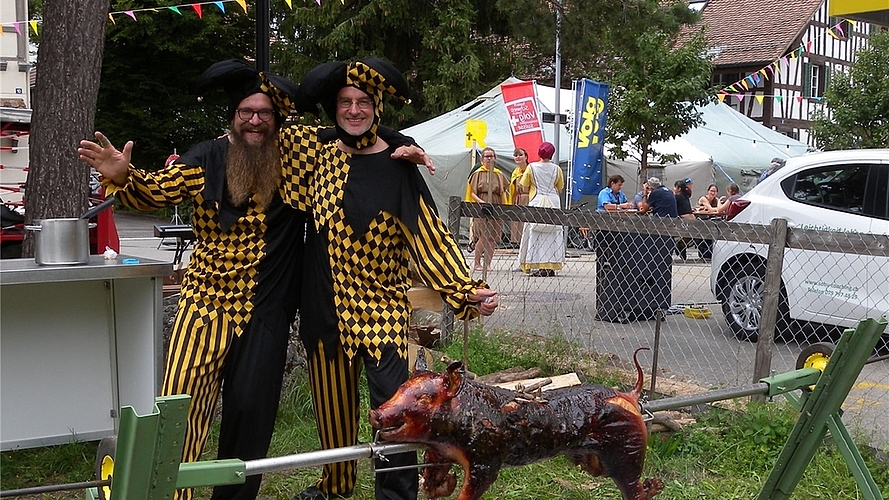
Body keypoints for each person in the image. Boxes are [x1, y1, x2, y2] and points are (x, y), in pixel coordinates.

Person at [77, 60, 429, 500]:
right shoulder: (204, 158)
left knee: (250, 416)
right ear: (233, 116)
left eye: (265, 113)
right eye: (247, 112)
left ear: (276, 121)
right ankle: (168, 495)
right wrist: (125, 176)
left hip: (266, 313)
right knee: (180, 410)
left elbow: (353, 133)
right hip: (205, 306)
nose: (256, 121)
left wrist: (405, 142)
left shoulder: (297, 160)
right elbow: (159, 189)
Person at [279, 57, 500, 500]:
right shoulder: (318, 156)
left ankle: (396, 496)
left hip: (380, 311)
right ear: (334, 108)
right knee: (333, 416)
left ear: (377, 108)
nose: (354, 110)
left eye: (363, 102)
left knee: (396, 413)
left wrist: (463, 291)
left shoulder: (398, 168)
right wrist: (401, 137)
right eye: (345, 102)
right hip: (324, 310)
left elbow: (428, 235)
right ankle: (334, 488)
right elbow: (282, 133)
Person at [518, 141, 565, 277]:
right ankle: (551, 264)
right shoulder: (557, 169)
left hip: (537, 199)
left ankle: (536, 263)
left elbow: (524, 186)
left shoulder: (532, 167)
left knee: (536, 232)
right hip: (553, 201)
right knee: (553, 233)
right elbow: (559, 188)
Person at [465, 147, 510, 271]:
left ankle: (488, 263)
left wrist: (502, 208)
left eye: (491, 156)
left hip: (495, 205)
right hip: (481, 206)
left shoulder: (498, 174)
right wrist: (481, 202)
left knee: (492, 237)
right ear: (482, 158)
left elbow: (502, 192)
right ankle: (477, 263)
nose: (489, 159)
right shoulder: (477, 173)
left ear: (495, 158)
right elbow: (473, 192)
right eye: (487, 156)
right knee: (483, 235)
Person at [509, 147, 530, 247]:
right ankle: (516, 242)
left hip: (528, 197)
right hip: (517, 198)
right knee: (517, 220)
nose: (518, 157)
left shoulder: (530, 170)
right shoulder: (515, 172)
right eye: (515, 155)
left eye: (520, 155)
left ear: (526, 157)